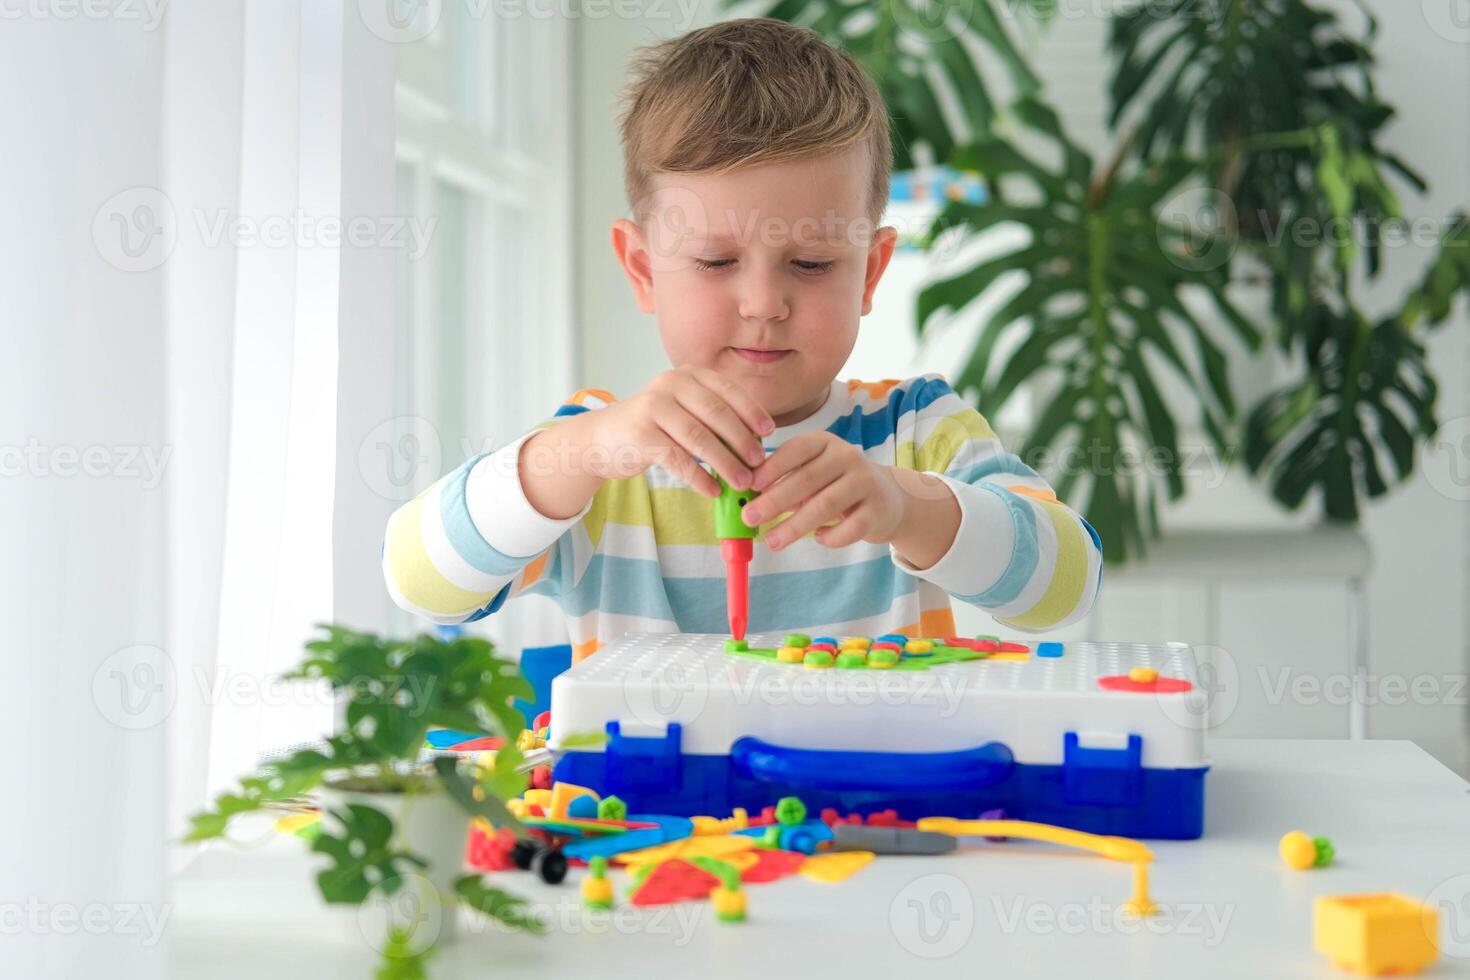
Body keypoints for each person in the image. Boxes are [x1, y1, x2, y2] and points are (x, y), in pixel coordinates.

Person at [383, 18, 1102, 662]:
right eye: (715, 262)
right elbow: (419, 582)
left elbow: (1066, 591)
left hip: (876, 809)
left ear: (870, 272)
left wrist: (907, 506)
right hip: (648, 814)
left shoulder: (916, 431)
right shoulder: (603, 456)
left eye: (812, 264)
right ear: (643, 269)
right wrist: (578, 453)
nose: (763, 304)